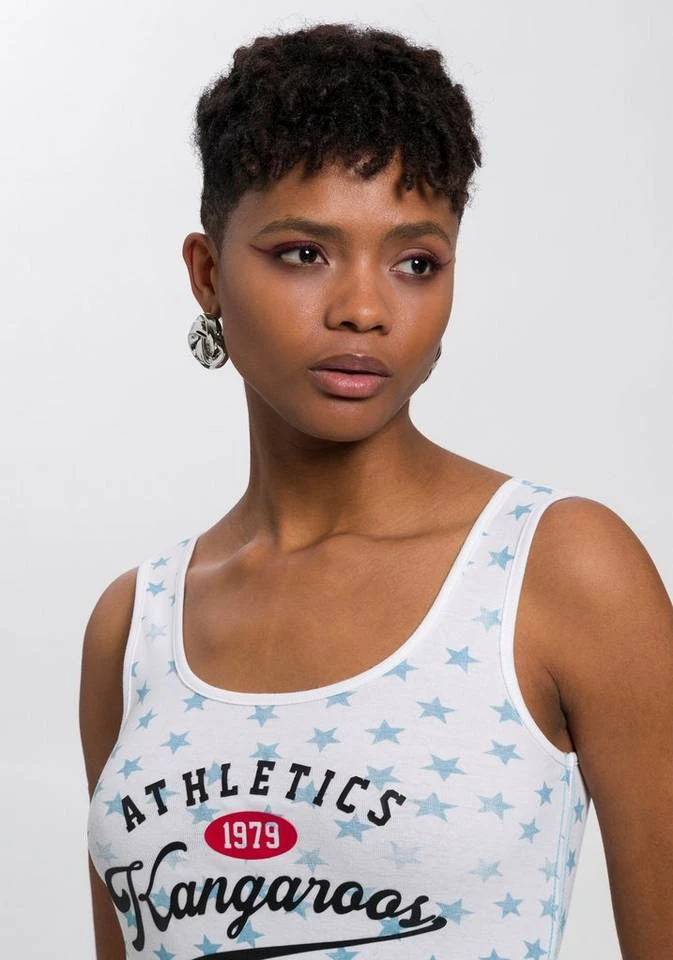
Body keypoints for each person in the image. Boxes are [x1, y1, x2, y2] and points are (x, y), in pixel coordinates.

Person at [79, 22, 673, 960]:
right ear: (207, 274)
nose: (363, 308)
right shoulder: (134, 628)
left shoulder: (555, 570)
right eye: (303, 253)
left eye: (414, 263)